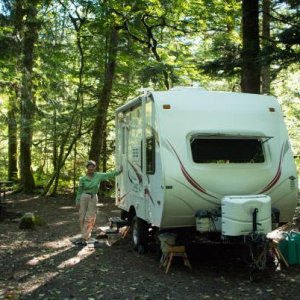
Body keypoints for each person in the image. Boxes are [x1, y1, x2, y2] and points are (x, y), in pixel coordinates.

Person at [75, 160, 122, 246]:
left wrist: (119, 171)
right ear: (87, 168)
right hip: (84, 197)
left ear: (94, 168)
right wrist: (77, 201)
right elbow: (79, 191)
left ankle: (84, 237)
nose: (91, 169)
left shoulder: (98, 176)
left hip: (93, 198)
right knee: (82, 216)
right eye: (89, 167)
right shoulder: (82, 179)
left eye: (92, 167)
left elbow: (109, 174)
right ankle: (84, 235)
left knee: (90, 217)